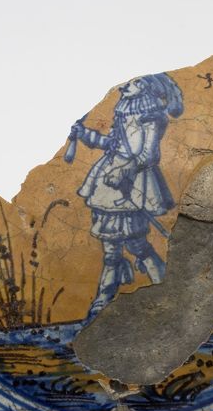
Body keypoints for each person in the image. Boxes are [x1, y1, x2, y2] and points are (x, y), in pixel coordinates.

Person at [70, 73, 184, 318]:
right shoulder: (123, 113)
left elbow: (149, 156)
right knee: (111, 249)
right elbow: (111, 144)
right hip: (108, 183)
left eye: (133, 82)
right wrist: (84, 134)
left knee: (137, 244)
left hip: (133, 183)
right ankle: (104, 298)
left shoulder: (151, 118)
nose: (125, 86)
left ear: (145, 87)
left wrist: (124, 170)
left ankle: (167, 293)